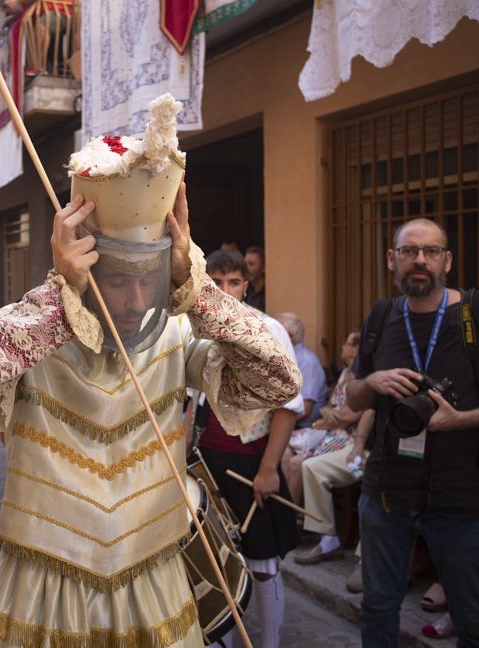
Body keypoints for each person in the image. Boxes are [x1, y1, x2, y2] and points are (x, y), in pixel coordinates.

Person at [0, 185, 302, 647]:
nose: (138, 299)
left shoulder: (177, 331)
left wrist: (197, 288)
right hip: (43, 584)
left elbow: (279, 381)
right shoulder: (28, 327)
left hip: (155, 578)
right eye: (119, 279)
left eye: (151, 277)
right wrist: (58, 299)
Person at [345, 217, 479, 648]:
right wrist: (372, 383)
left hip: (463, 496)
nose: (420, 260)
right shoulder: (381, 316)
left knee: (473, 622)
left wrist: (462, 419)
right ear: (391, 259)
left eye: (431, 251)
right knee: (378, 608)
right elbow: (354, 399)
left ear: (447, 260)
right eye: (408, 251)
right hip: (386, 492)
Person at [195, 249, 305, 648]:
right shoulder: (194, 327)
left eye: (234, 282)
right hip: (205, 460)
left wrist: (270, 468)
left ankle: (268, 643)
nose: (225, 291)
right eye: (216, 281)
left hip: (251, 458)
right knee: (210, 558)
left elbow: (288, 405)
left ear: (247, 285)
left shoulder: (268, 329)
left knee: (261, 559)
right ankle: (219, 636)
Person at [282, 330, 365, 505]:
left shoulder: (362, 378)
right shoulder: (345, 373)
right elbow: (328, 408)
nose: (342, 346)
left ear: (356, 349)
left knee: (297, 463)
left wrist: (328, 417)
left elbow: (350, 415)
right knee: (282, 451)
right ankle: (285, 510)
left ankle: (293, 516)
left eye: (347, 343)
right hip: (327, 429)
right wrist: (329, 415)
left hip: (343, 436)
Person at [276, 312, 328, 429]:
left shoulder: (307, 362)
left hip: (303, 427)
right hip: (286, 421)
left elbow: (305, 408)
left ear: (290, 336)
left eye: (276, 331)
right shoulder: (285, 357)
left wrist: (272, 422)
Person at [243, 247, 266, 311]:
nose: (246, 268)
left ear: (263, 267)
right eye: (245, 264)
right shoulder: (246, 289)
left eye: (251, 264)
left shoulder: (267, 293)